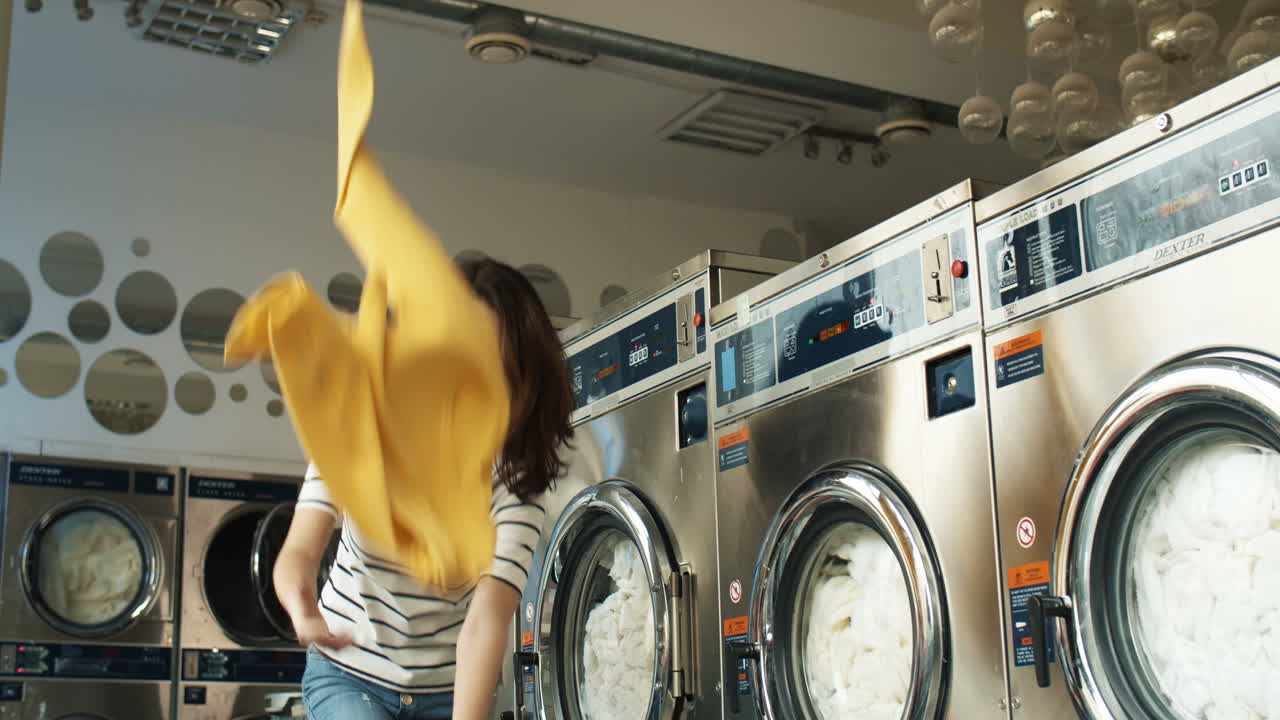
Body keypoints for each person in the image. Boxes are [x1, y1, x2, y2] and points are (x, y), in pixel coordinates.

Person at [273, 257, 575, 720]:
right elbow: (297, 553)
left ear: (524, 387)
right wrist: (303, 610)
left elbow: (486, 621)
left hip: (447, 689)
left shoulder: (516, 480)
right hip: (348, 673)